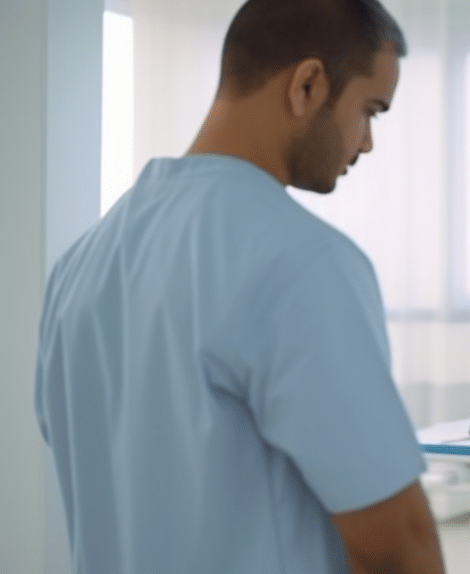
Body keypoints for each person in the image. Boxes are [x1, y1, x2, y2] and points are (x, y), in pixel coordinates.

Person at [33, 1, 446, 573]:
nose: (368, 141)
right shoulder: (300, 260)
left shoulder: (81, 265)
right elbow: (396, 545)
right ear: (307, 85)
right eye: (369, 110)